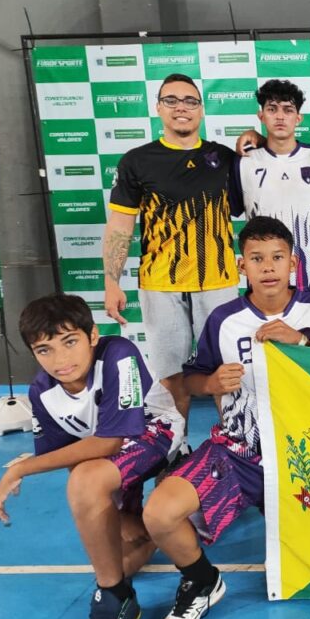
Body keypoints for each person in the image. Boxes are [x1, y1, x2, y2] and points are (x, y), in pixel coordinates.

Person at [141, 216, 310, 619]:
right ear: (241, 266)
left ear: (293, 263)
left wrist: (305, 343)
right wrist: (211, 383)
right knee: (159, 514)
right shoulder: (224, 318)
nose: (267, 266)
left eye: (276, 257)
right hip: (236, 453)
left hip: (304, 457)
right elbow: (193, 379)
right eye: (256, 258)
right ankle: (201, 582)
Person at [0, 294, 183, 619]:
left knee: (93, 490)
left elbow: (111, 441)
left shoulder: (119, 353)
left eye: (69, 342)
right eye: (44, 350)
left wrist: (19, 468)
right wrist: (112, 508)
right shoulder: (42, 392)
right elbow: (71, 456)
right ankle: (140, 544)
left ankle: (113, 598)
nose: (60, 360)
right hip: (105, 459)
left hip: (154, 433)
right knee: (119, 560)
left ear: (93, 335)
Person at [103, 73, 239, 433]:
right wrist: (111, 282)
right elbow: (120, 226)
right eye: (172, 100)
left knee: (225, 374)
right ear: (158, 107)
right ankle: (172, 452)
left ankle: (236, 450)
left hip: (219, 282)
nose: (182, 108)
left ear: (202, 109)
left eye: (190, 101)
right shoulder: (136, 161)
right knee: (170, 377)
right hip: (161, 284)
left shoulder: (223, 157)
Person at [230, 79, 310, 310]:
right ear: (261, 116)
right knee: (268, 345)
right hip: (264, 282)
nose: (280, 116)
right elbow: (237, 208)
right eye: (272, 109)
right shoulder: (244, 162)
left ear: (298, 118)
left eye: (288, 110)